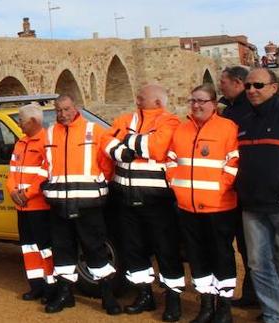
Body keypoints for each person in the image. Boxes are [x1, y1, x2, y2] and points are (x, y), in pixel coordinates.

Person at [102, 84, 184, 322]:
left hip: (156, 200)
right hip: (125, 198)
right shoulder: (125, 118)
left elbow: (156, 148)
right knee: (133, 250)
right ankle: (144, 295)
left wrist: (124, 138)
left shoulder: (170, 121)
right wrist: (122, 150)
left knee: (166, 250)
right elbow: (105, 141)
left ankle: (173, 299)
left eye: (142, 98)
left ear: (158, 102)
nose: (137, 100)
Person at [166, 84, 239, 323]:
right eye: (193, 100)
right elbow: (171, 160)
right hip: (188, 207)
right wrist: (176, 185)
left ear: (214, 103)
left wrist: (220, 187)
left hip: (219, 207)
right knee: (197, 258)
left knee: (222, 256)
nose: (196, 105)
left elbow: (234, 164)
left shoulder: (228, 128)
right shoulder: (182, 129)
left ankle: (224, 308)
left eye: (202, 101)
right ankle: (206, 304)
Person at [42, 94, 120, 315]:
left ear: (75, 108)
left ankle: (107, 295)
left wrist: (97, 185)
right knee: (62, 250)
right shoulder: (49, 133)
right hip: (59, 204)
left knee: (95, 248)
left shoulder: (94, 130)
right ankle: (65, 294)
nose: (63, 114)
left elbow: (106, 164)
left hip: (88, 204)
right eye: (58, 110)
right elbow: (44, 165)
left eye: (66, 109)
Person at [236, 68, 279, 323]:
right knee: (259, 265)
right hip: (252, 207)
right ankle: (274, 316)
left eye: (257, 85)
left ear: (274, 87)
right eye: (247, 86)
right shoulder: (244, 121)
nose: (252, 91)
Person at [218, 66, 259, 308]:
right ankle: (251, 295)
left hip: (247, 192)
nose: (220, 85)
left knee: (255, 250)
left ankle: (263, 297)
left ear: (237, 82)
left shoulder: (247, 111)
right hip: (231, 192)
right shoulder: (232, 110)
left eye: (223, 81)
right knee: (244, 248)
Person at [6, 103, 55, 304]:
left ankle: (51, 288)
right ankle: (37, 287)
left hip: (38, 206)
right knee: (28, 247)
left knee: (45, 248)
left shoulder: (46, 142)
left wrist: (27, 194)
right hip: (22, 206)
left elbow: (46, 173)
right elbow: (12, 171)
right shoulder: (20, 143)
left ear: (33, 121)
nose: (19, 124)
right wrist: (12, 191)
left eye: (21, 120)